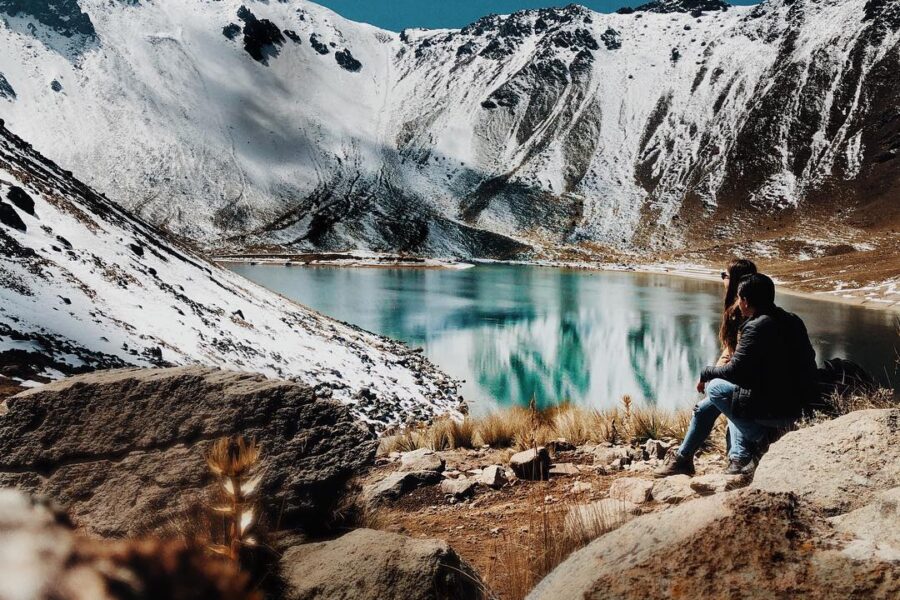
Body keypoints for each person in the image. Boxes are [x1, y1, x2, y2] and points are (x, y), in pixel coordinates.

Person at [655, 274, 817, 477]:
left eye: (740, 299)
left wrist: (706, 373)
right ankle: (685, 458)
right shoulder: (792, 320)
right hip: (798, 403)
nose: (739, 303)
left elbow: (736, 372)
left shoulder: (756, 326)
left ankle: (760, 441)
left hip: (777, 410)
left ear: (746, 301)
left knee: (715, 388)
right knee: (709, 405)